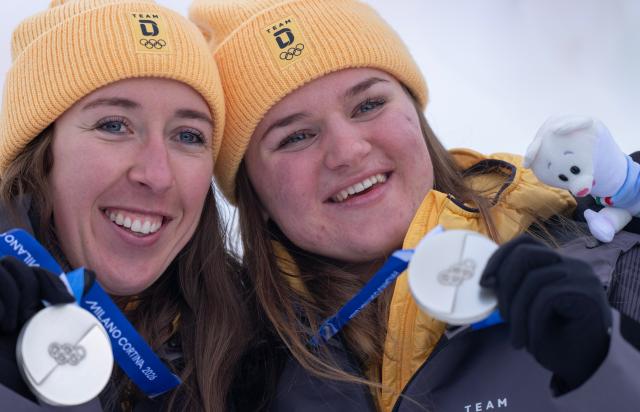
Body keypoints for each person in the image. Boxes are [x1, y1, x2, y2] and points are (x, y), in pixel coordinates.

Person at [189, 0, 640, 411]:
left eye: (368, 104)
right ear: (252, 189)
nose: (347, 151)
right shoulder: (221, 367)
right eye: (296, 136)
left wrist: (602, 366)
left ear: (415, 112)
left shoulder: (614, 254)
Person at [0, 0, 253, 410]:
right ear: (42, 152)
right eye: (114, 125)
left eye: (188, 136)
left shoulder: (258, 348)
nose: (156, 175)